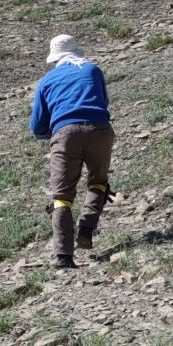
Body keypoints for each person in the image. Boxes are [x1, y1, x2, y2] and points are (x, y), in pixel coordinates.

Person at [29, 34, 114, 269]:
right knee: (98, 180)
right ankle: (87, 227)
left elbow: (37, 126)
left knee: (62, 196)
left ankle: (63, 256)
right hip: (99, 129)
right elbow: (103, 102)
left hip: (65, 135)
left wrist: (55, 132)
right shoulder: (93, 70)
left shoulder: (47, 81)